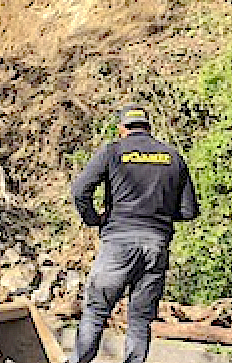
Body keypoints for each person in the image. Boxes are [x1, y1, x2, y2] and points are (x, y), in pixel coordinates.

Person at [70, 103, 199, 363]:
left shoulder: (113, 151)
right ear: (148, 127)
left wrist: (94, 219)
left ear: (122, 128)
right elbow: (189, 211)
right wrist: (159, 213)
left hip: (118, 242)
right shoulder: (172, 156)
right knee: (140, 319)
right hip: (156, 246)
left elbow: (80, 191)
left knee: (96, 311)